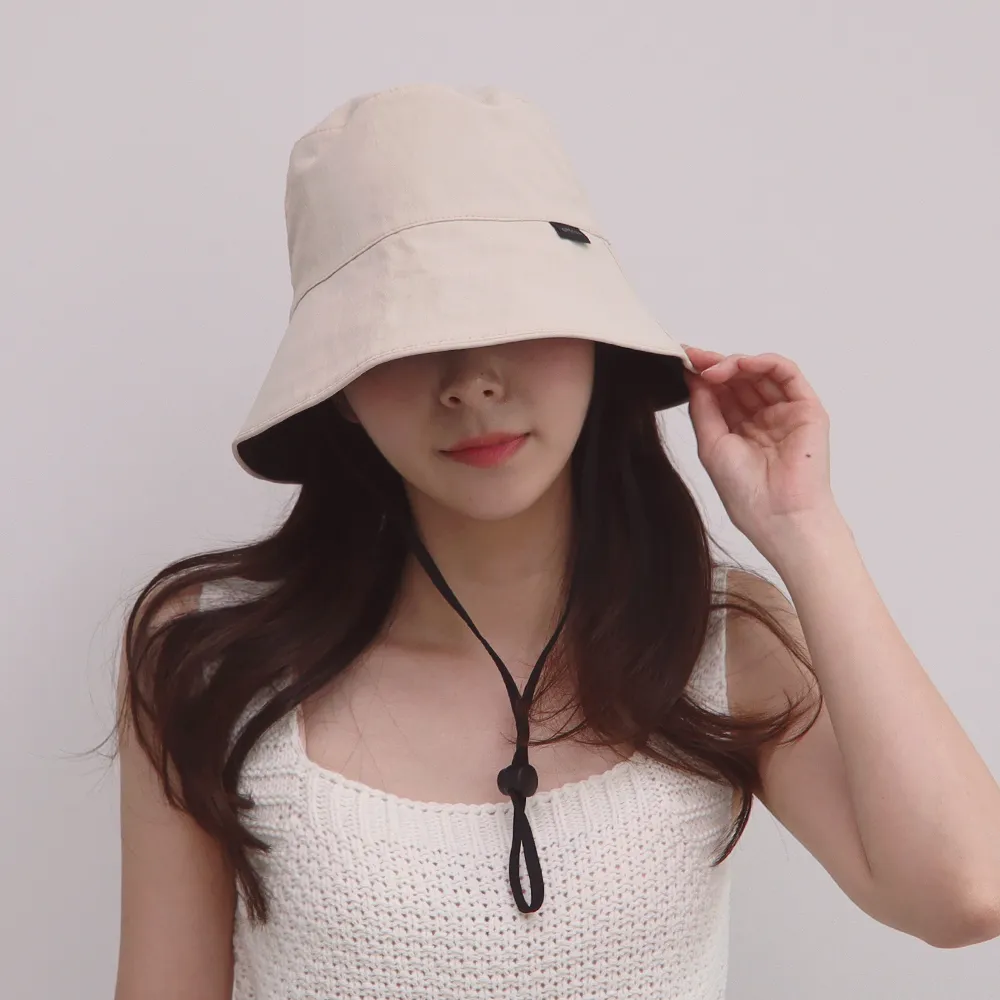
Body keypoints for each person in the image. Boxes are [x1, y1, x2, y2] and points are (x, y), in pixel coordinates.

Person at [109, 83, 1000, 1000]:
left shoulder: (721, 644)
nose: (470, 381)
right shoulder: (209, 663)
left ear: (593, 335)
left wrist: (805, 530)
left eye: (511, 313)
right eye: (403, 335)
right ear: (337, 385)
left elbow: (967, 894)